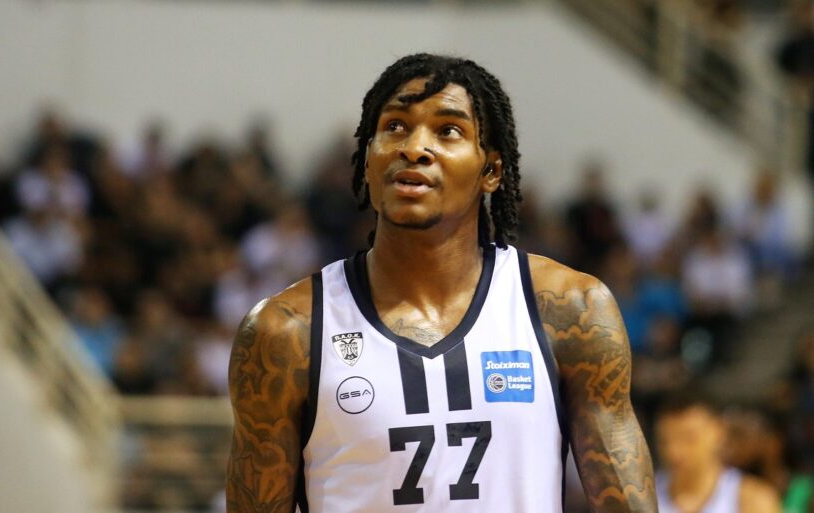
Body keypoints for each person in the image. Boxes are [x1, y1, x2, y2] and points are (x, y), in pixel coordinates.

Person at [226, 53, 657, 512]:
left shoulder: (571, 310)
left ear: (491, 171)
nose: (414, 147)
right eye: (395, 126)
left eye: (448, 130)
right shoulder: (285, 331)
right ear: (367, 161)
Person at [655, 394, 781, 513]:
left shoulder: (752, 500)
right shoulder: (646, 496)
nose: (674, 451)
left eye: (689, 439)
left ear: (717, 431)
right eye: (665, 441)